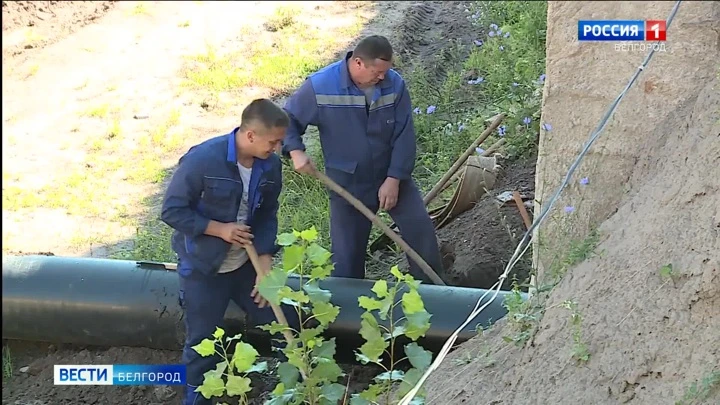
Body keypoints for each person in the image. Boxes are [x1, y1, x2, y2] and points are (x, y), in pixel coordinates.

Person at [160, 98, 297, 405]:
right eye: (273, 142)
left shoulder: (270, 165)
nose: (277, 149)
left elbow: (267, 215)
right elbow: (171, 211)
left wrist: (264, 263)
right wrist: (219, 229)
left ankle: (297, 392)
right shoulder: (203, 160)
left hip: (245, 267)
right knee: (202, 344)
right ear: (250, 136)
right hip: (204, 268)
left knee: (284, 320)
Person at [281, 35, 444, 283]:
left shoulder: (394, 85)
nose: (382, 78)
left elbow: (404, 135)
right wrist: (295, 150)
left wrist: (394, 178)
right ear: (358, 63)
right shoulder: (320, 86)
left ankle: (433, 295)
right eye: (377, 72)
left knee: (420, 231)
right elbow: (286, 120)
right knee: (347, 256)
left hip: (390, 174)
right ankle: (348, 313)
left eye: (386, 72)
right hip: (348, 183)